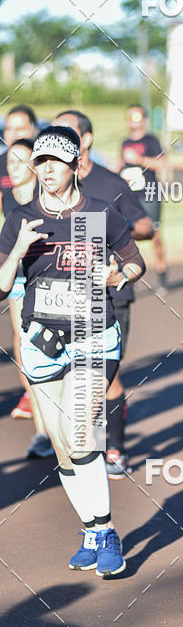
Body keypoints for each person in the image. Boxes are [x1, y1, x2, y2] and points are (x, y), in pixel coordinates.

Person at [0, 126, 146, 575]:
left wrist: (118, 277)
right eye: (39, 162)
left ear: (74, 165)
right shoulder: (22, 218)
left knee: (80, 431)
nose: (46, 170)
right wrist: (19, 249)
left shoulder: (99, 214)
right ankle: (91, 528)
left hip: (92, 334)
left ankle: (105, 531)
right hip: (43, 340)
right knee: (63, 444)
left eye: (54, 162)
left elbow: (135, 260)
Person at [55, 110, 153, 479]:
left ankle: (114, 447)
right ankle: (83, 444)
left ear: (87, 140)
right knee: (71, 375)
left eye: (69, 132)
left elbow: (145, 226)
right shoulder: (49, 185)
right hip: (62, 296)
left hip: (111, 294)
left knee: (104, 375)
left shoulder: (111, 184)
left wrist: (109, 226)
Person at [3, 138, 53, 458]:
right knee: (22, 347)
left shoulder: (45, 198)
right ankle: (41, 431)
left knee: (49, 344)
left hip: (45, 281)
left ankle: (73, 422)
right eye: (10, 162)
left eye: (22, 161)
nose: (14, 167)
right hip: (17, 281)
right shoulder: (8, 199)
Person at [120, 105, 169, 292]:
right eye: (131, 117)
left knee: (154, 235)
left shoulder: (151, 140)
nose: (134, 121)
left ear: (145, 120)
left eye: (137, 117)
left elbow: (162, 164)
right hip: (129, 197)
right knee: (127, 235)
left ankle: (162, 276)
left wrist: (139, 159)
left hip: (149, 194)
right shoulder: (124, 142)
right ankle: (129, 276)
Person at [0, 105, 38, 196]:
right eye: (8, 129)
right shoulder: (1, 162)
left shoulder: (47, 161)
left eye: (20, 129)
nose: (13, 134)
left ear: (35, 130)